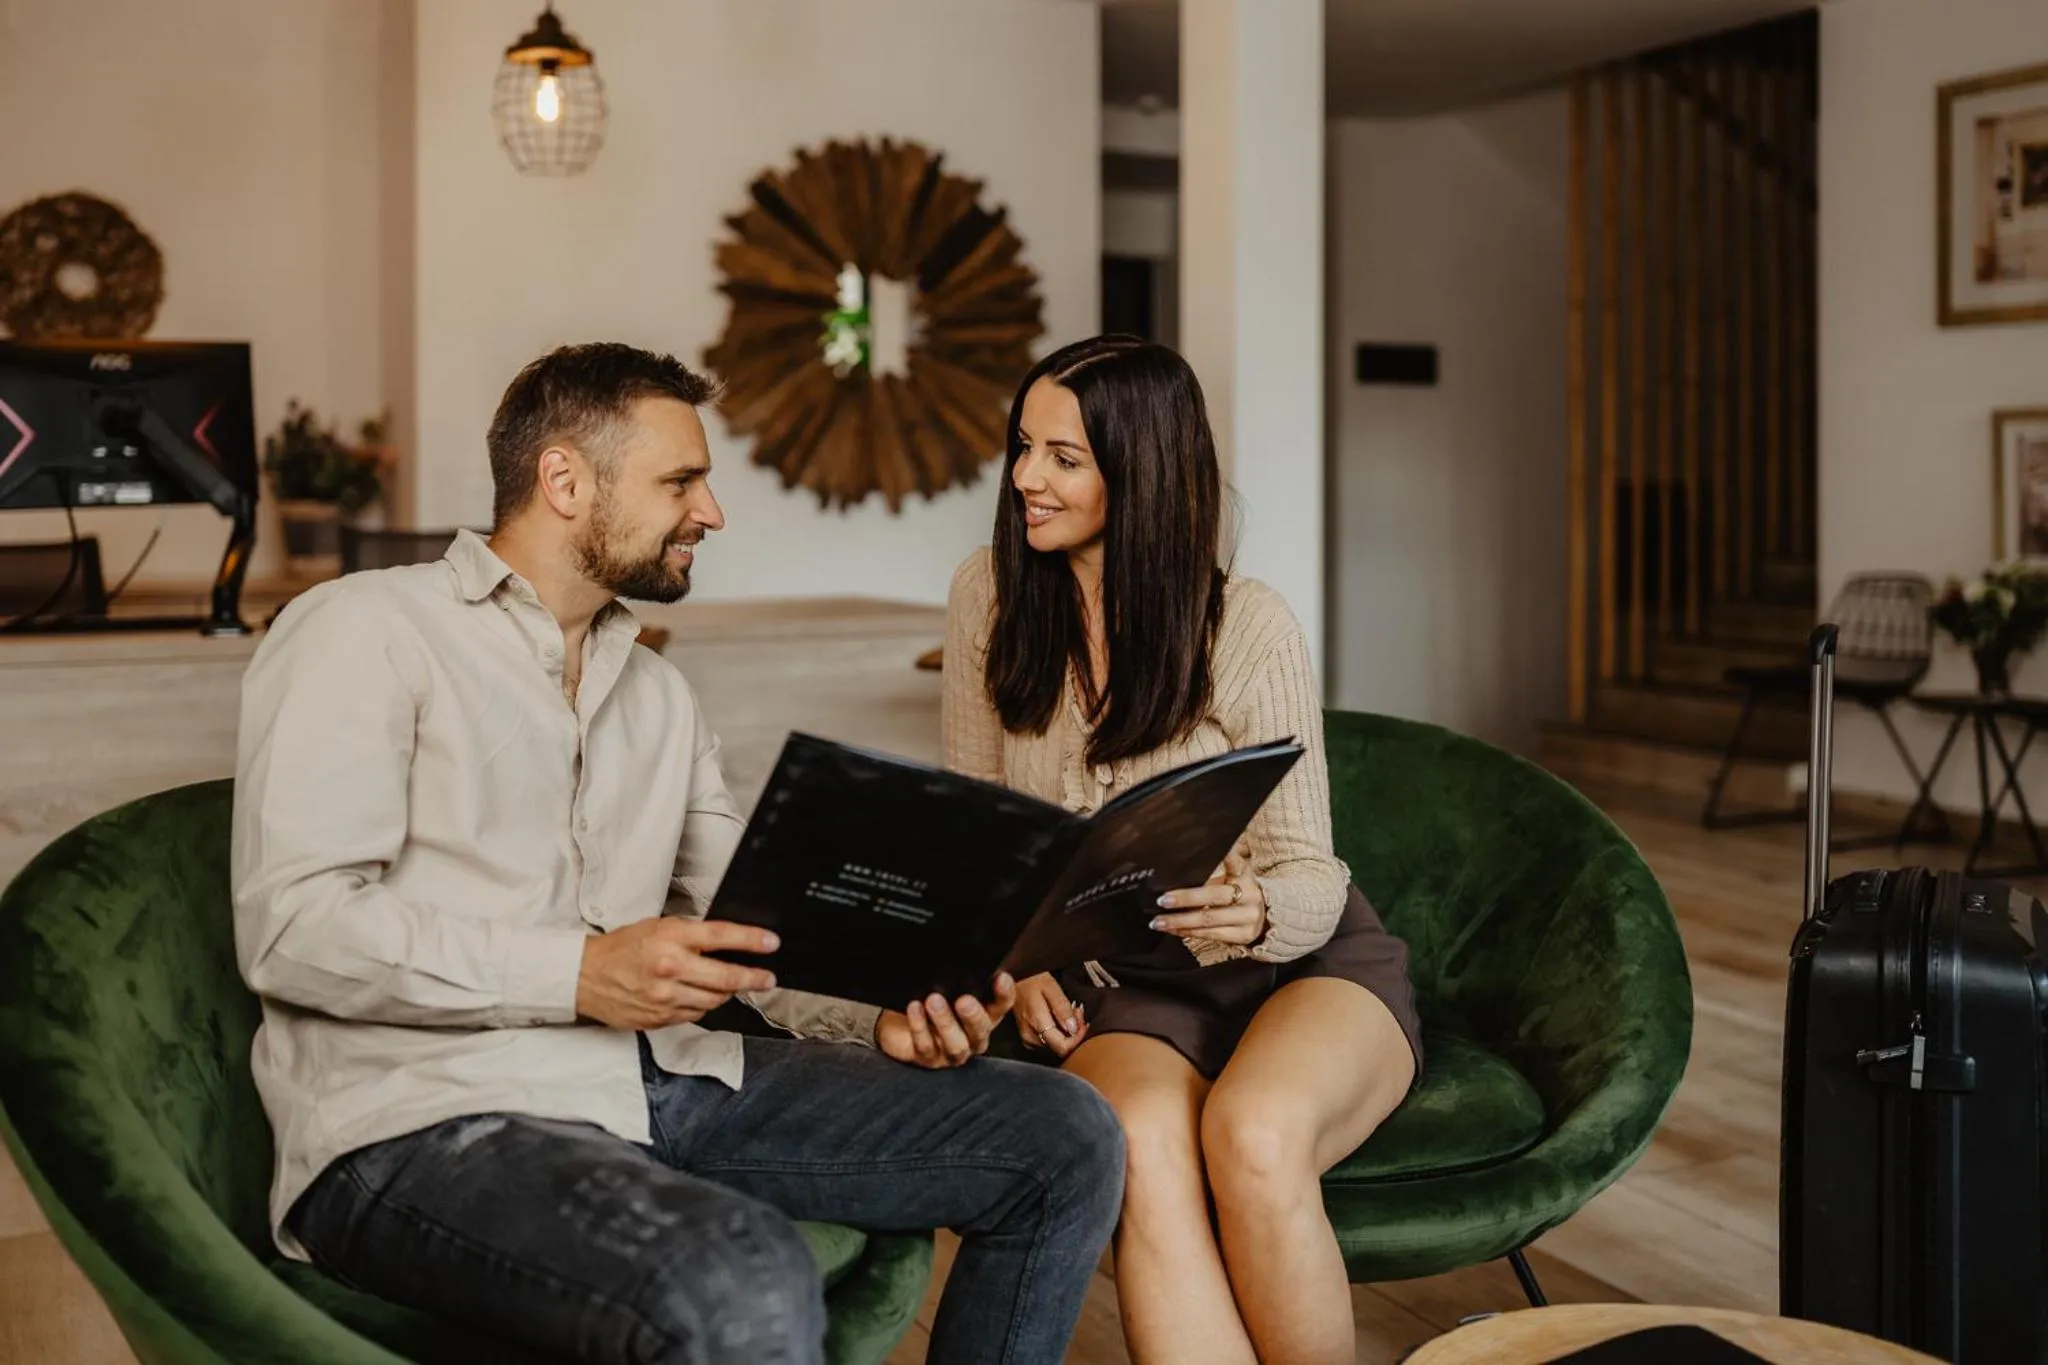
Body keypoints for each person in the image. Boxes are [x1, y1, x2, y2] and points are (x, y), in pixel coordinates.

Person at [231, 342, 1125, 1365]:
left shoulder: (656, 695)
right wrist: (577, 975)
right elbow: (292, 927)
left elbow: (760, 925)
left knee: (1065, 1135)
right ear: (564, 479)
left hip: (666, 1082)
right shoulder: (364, 629)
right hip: (430, 1117)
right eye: (680, 482)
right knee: (739, 1272)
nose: (712, 513)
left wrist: (881, 1014)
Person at [941, 334, 1425, 1365]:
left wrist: (1253, 913)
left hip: (1301, 960)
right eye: (1022, 447)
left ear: (1144, 469)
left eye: (1063, 459)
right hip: (1121, 985)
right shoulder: (987, 597)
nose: (1025, 477)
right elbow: (980, 832)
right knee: (1144, 1152)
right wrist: (1019, 962)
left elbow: (1306, 871)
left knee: (1251, 1138)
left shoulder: (1244, 625)